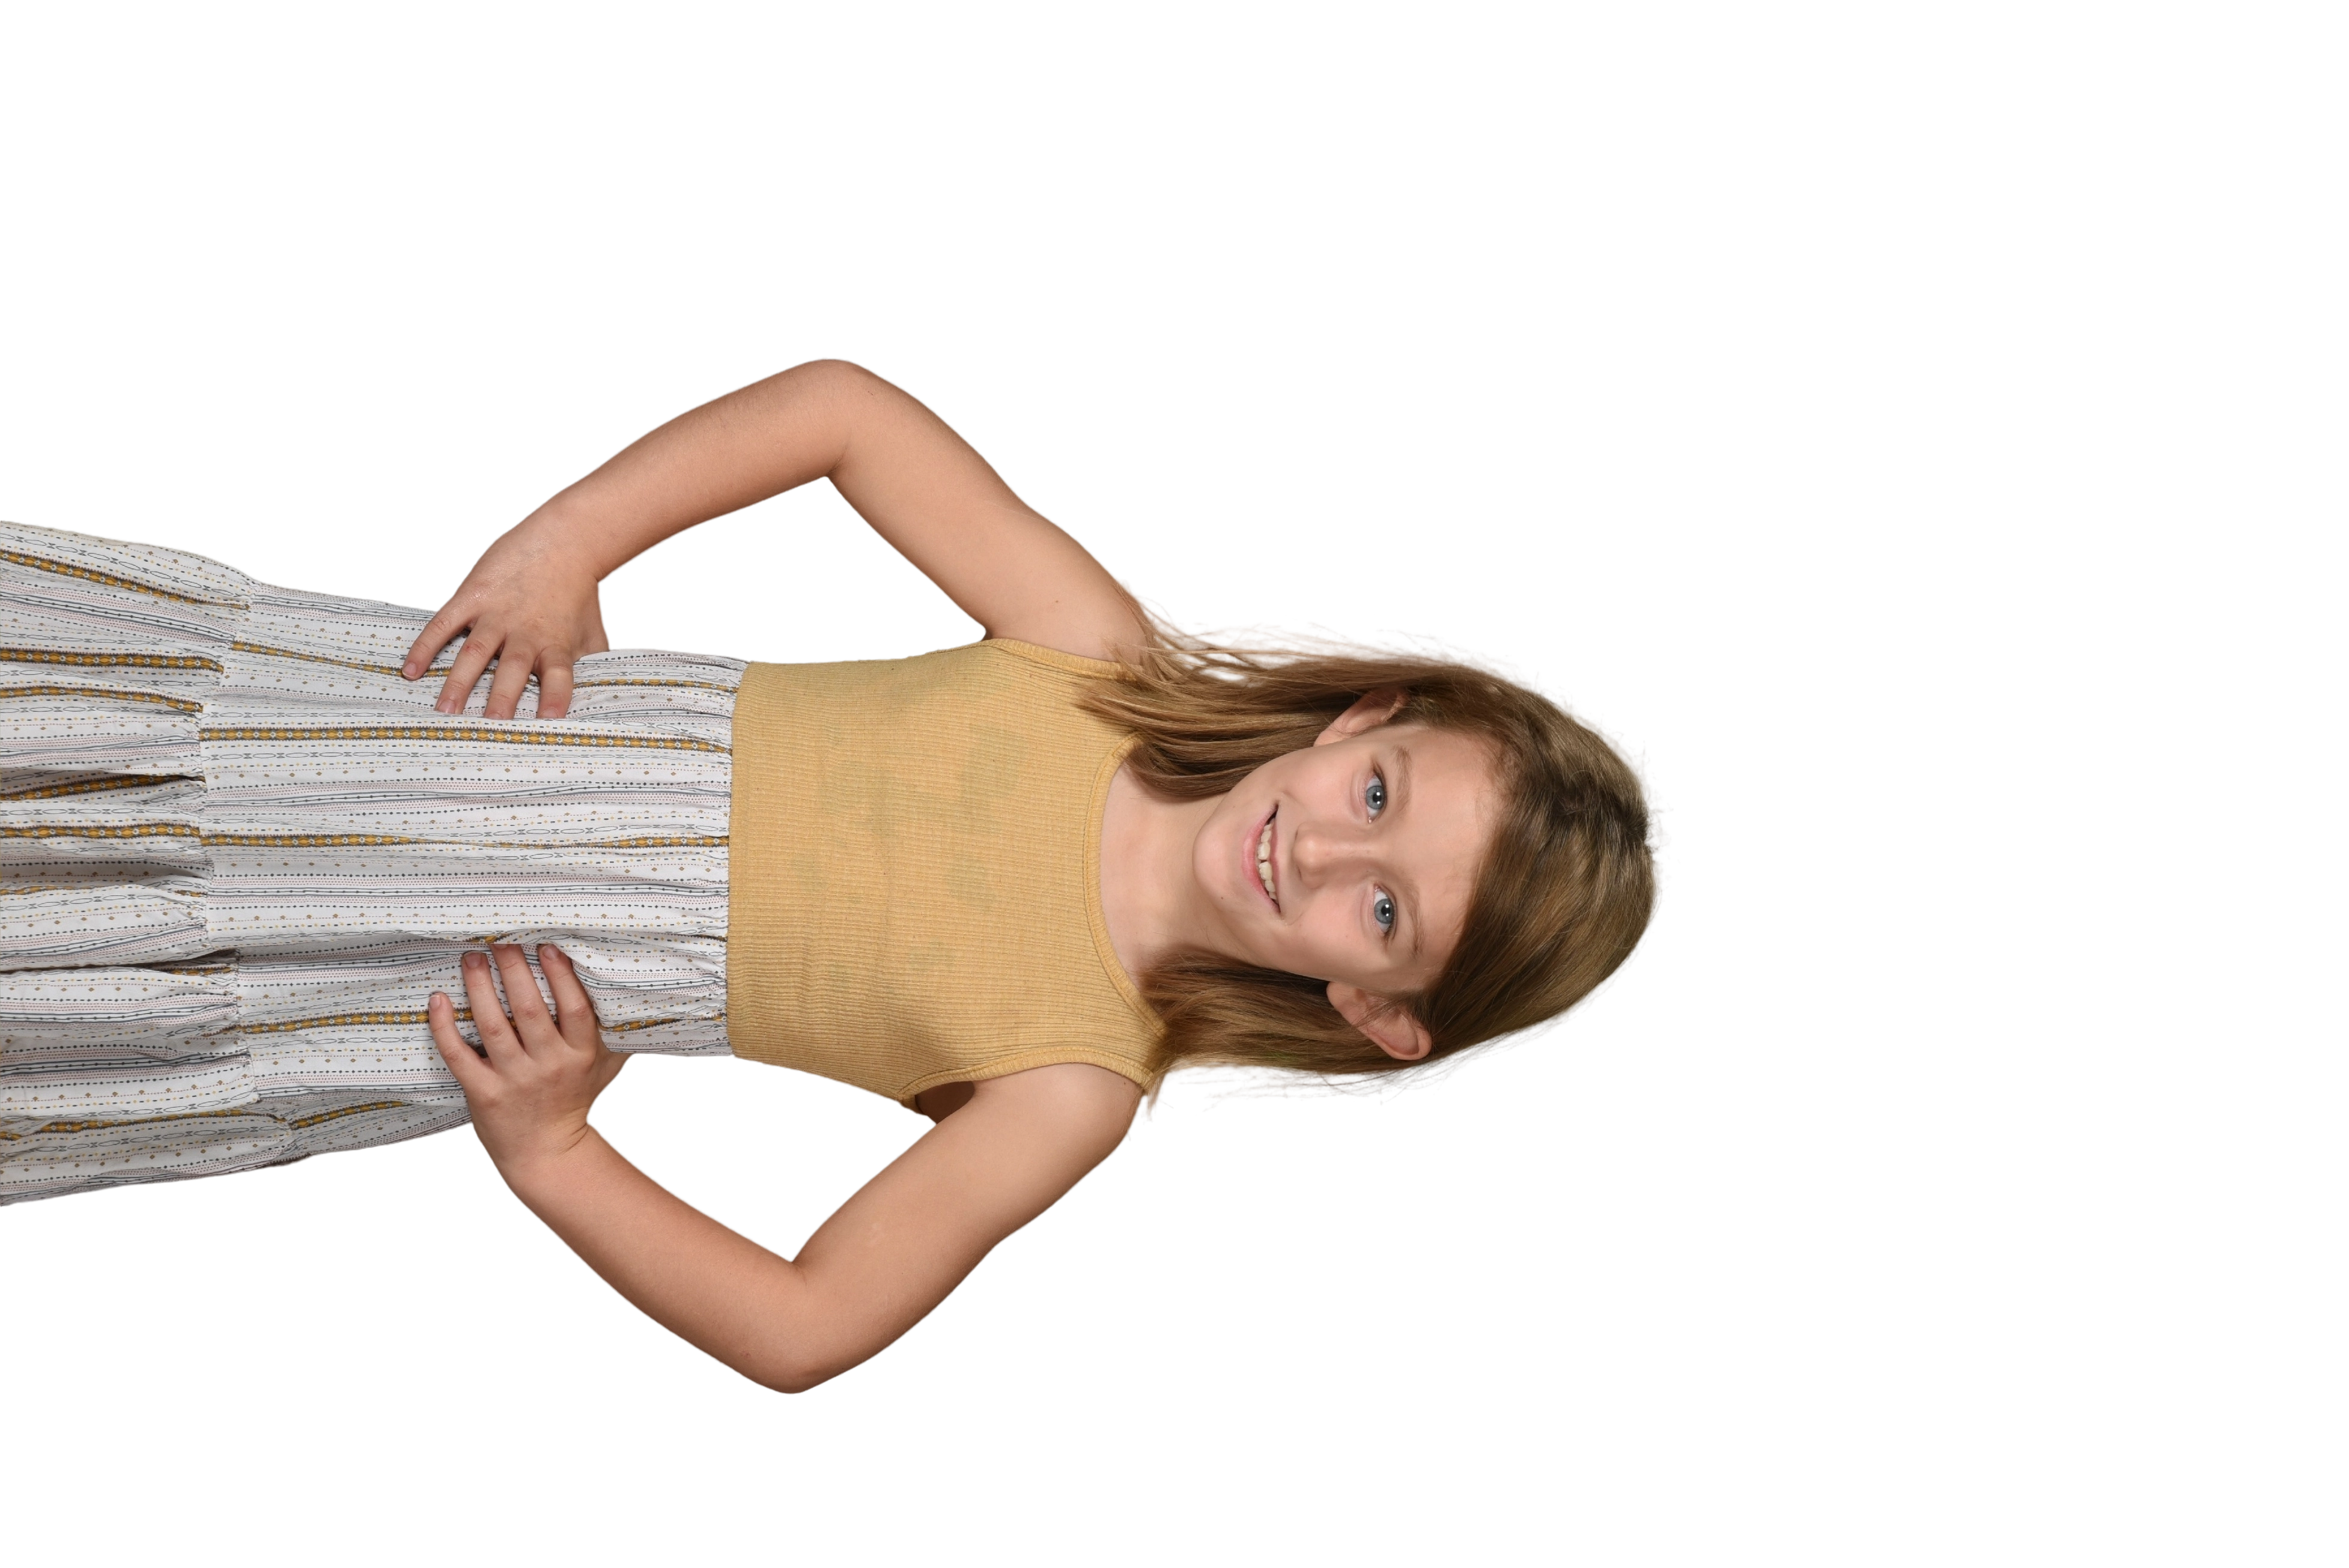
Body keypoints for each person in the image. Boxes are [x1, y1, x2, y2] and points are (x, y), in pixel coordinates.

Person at [1, 356, 1674, 1394]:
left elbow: (804, 1334)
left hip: (376, 979)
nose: (1320, 847)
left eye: (1383, 907)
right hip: (416, 728)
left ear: (1381, 1010)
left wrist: (558, 1150)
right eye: (1376, 794)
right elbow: (845, 412)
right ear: (1368, 713)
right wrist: (568, 542)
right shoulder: (1108, 664)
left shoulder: (1077, 1079)